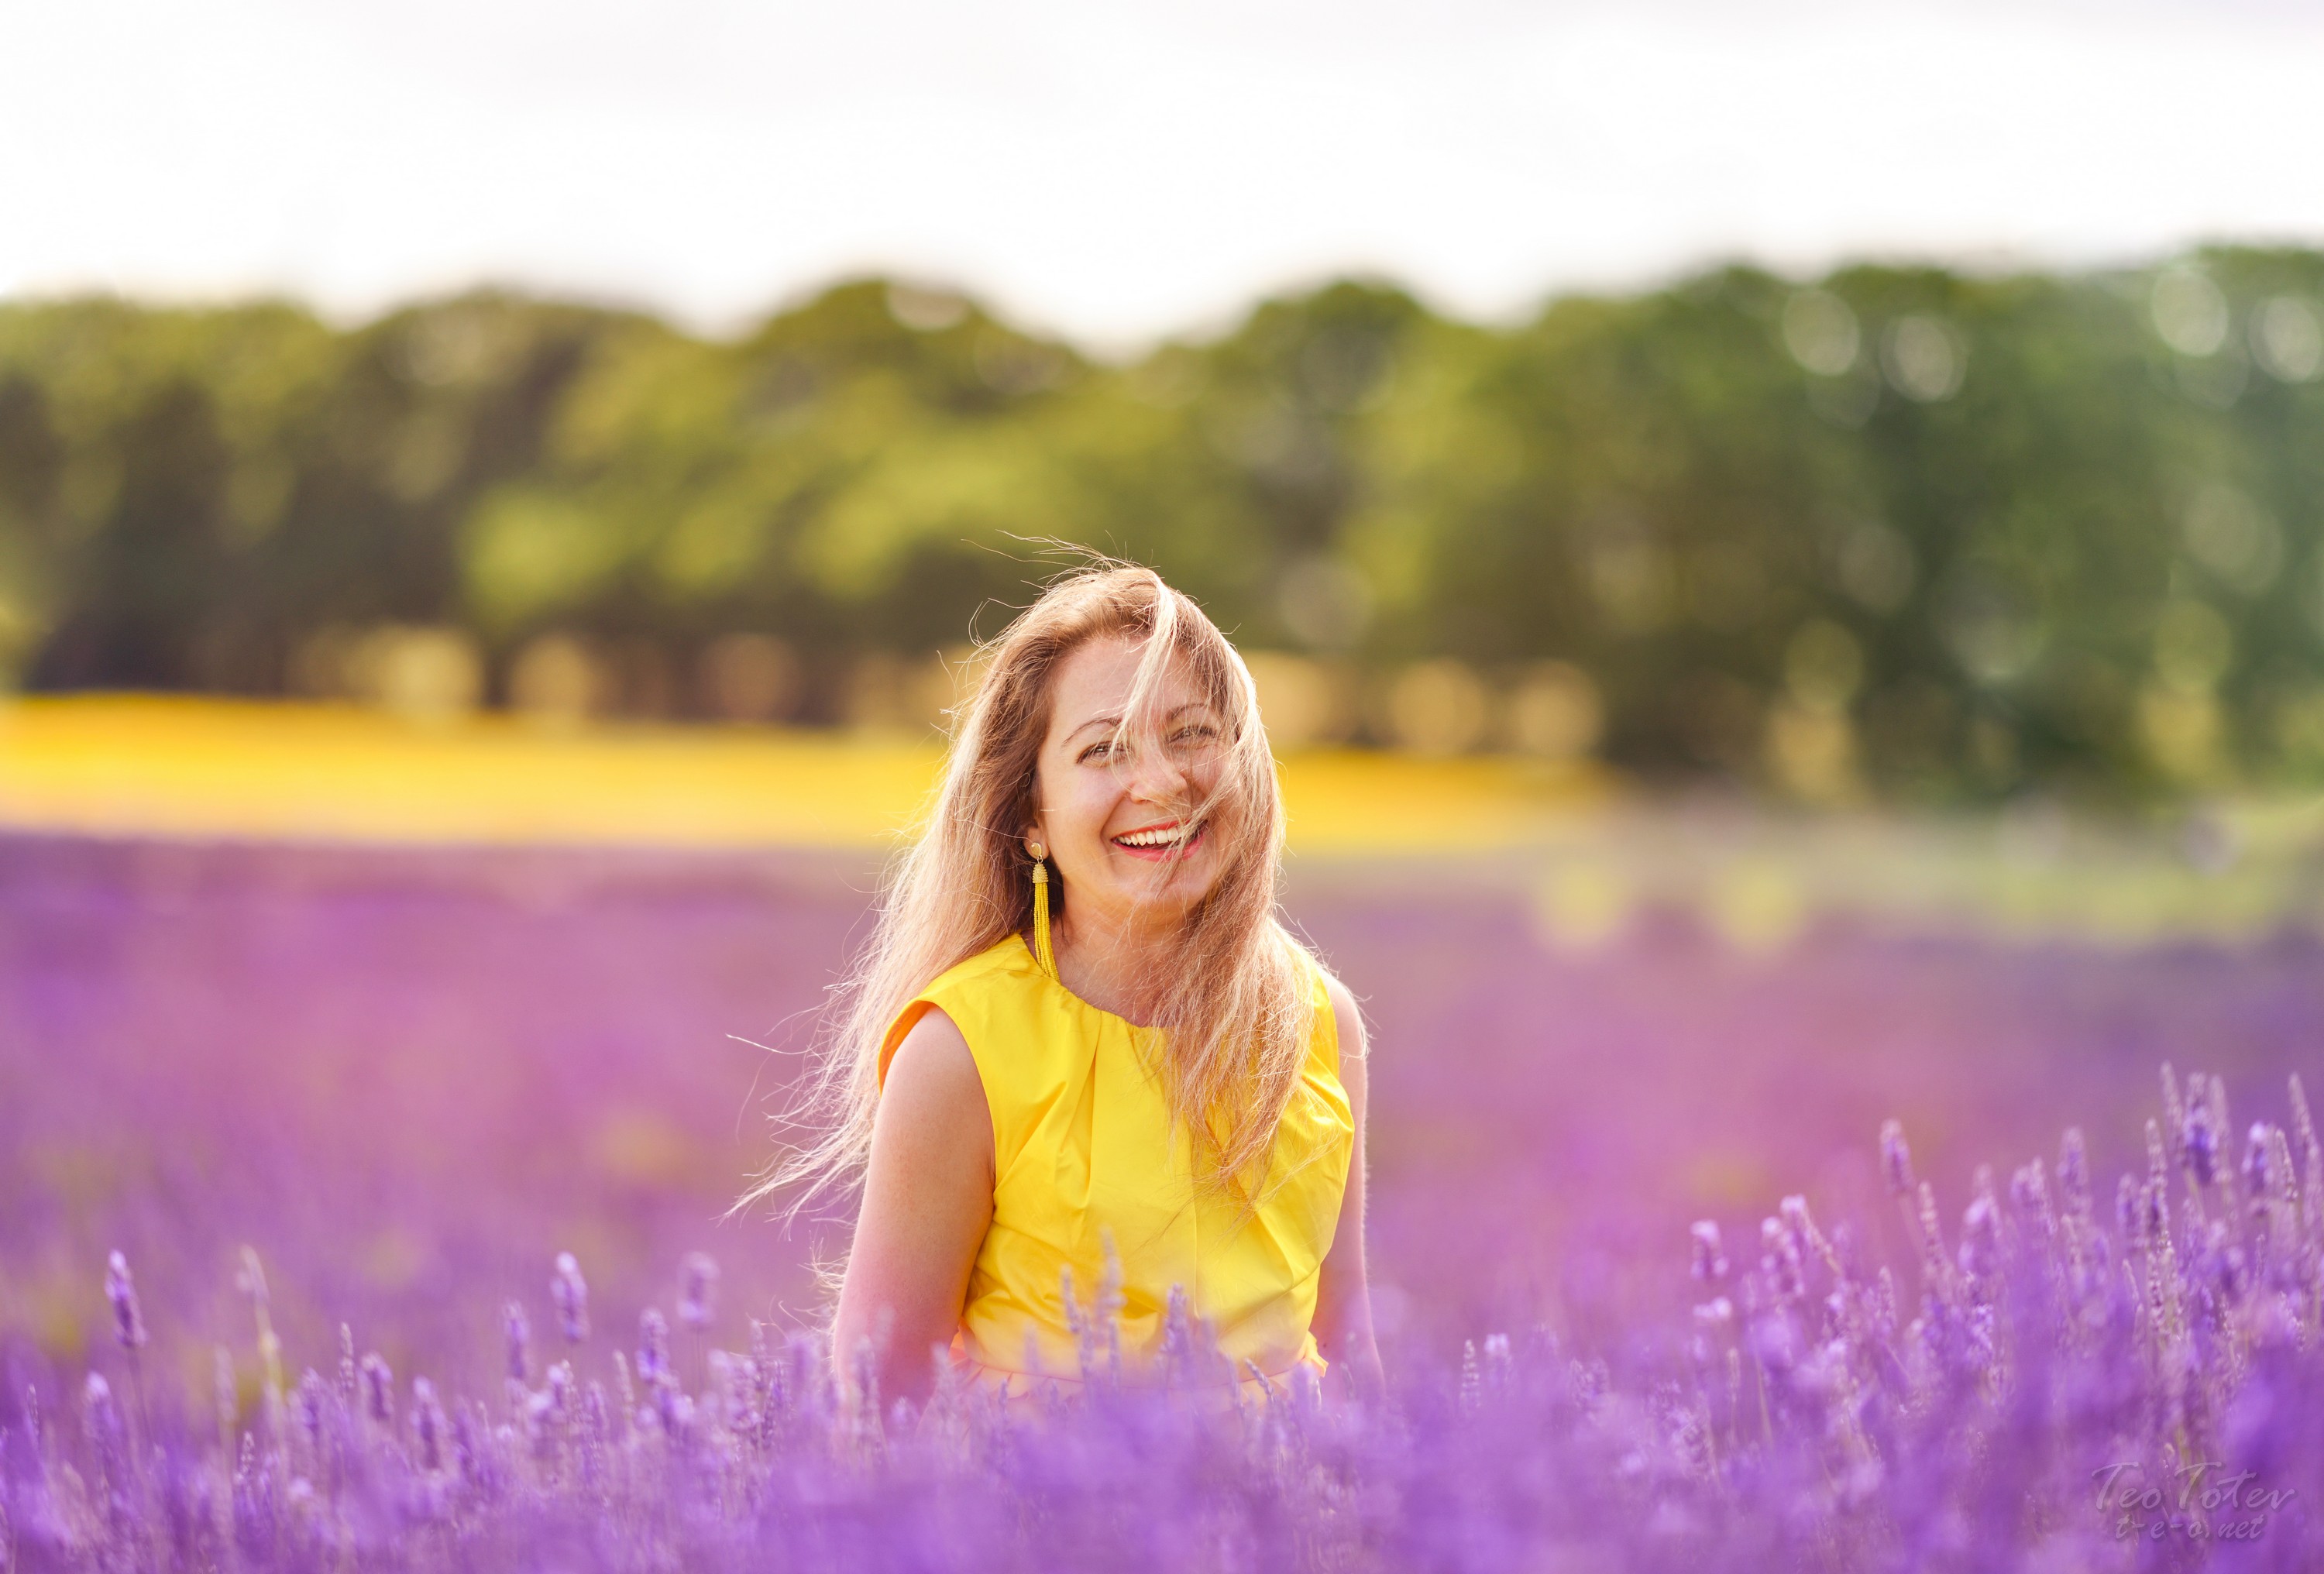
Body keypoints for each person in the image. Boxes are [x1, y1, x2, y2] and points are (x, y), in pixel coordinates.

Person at [752, 564, 1381, 1413]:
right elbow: (876, 1401)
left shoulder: (1318, 1019)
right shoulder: (962, 1051)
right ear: (1031, 817)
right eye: (1103, 750)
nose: (1161, 782)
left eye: (1193, 734)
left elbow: (1346, 1346)